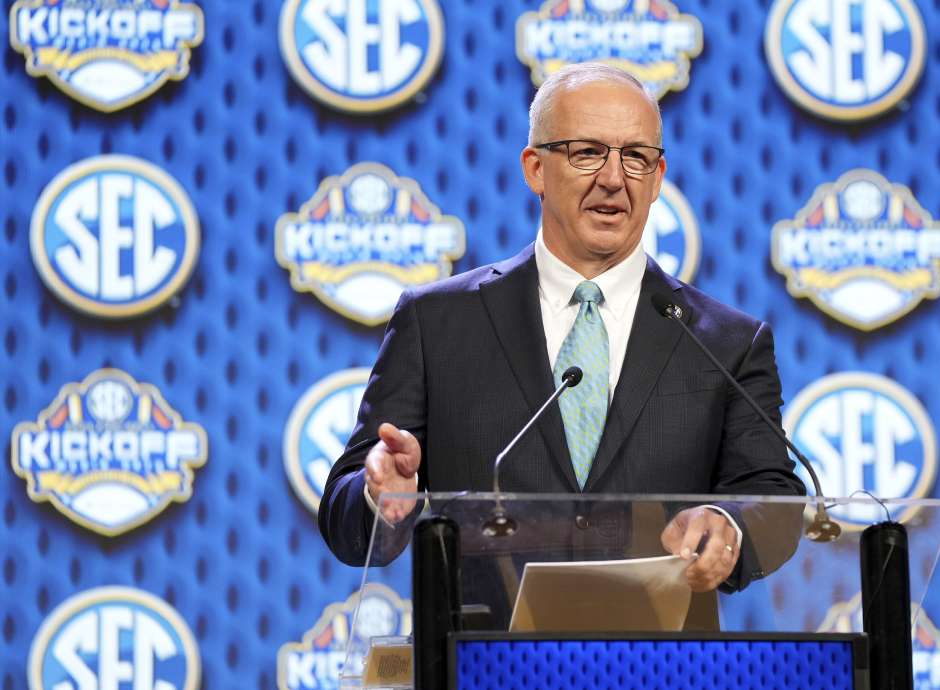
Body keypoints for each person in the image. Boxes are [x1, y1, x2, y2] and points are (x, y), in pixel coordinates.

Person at [318, 63, 804, 597]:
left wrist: (726, 521)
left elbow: (773, 496)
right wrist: (384, 497)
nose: (614, 179)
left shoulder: (726, 343)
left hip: (662, 665)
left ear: (659, 178)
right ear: (535, 169)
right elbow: (344, 517)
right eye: (587, 152)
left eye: (636, 157)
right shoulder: (436, 324)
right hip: (487, 666)